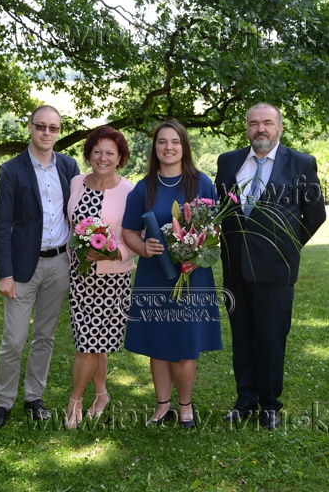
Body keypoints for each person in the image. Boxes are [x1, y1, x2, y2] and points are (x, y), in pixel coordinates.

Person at [215, 102, 326, 430]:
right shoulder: (228, 161)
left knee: (271, 339)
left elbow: (315, 215)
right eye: (253, 123)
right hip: (235, 269)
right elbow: (220, 209)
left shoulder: (301, 163)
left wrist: (286, 247)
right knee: (242, 337)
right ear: (247, 128)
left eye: (267, 122)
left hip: (276, 271)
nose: (260, 129)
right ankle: (245, 400)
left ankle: (270, 406)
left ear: (279, 128)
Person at [122, 120, 222, 428]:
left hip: (192, 276)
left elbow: (216, 228)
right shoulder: (143, 187)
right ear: (155, 148)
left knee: (185, 346)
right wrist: (143, 247)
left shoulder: (201, 183)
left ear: (184, 147)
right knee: (158, 343)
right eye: (162, 142)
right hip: (155, 275)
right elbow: (128, 231)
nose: (168, 147)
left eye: (175, 142)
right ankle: (162, 406)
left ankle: (185, 406)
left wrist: (198, 253)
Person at [0, 105, 79, 430]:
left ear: (59, 132)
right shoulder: (11, 170)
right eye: (41, 126)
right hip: (22, 268)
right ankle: (3, 402)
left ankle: (34, 397)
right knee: (13, 339)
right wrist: (5, 274)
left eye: (53, 128)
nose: (46, 133)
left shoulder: (69, 166)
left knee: (45, 336)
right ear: (30, 127)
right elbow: (1, 227)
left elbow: (77, 213)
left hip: (59, 264)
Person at [65, 126, 135, 428]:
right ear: (88, 154)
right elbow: (70, 224)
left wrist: (113, 253)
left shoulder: (130, 191)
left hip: (112, 280)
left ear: (120, 158)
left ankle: (75, 401)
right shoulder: (76, 182)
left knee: (88, 345)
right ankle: (102, 394)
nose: (103, 158)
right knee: (94, 341)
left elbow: (137, 238)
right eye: (97, 151)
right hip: (79, 276)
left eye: (110, 153)